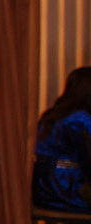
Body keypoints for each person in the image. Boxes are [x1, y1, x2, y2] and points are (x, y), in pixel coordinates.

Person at [33, 66, 91, 213]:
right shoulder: (79, 119)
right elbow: (88, 161)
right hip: (67, 188)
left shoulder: (52, 115)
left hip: (42, 189)